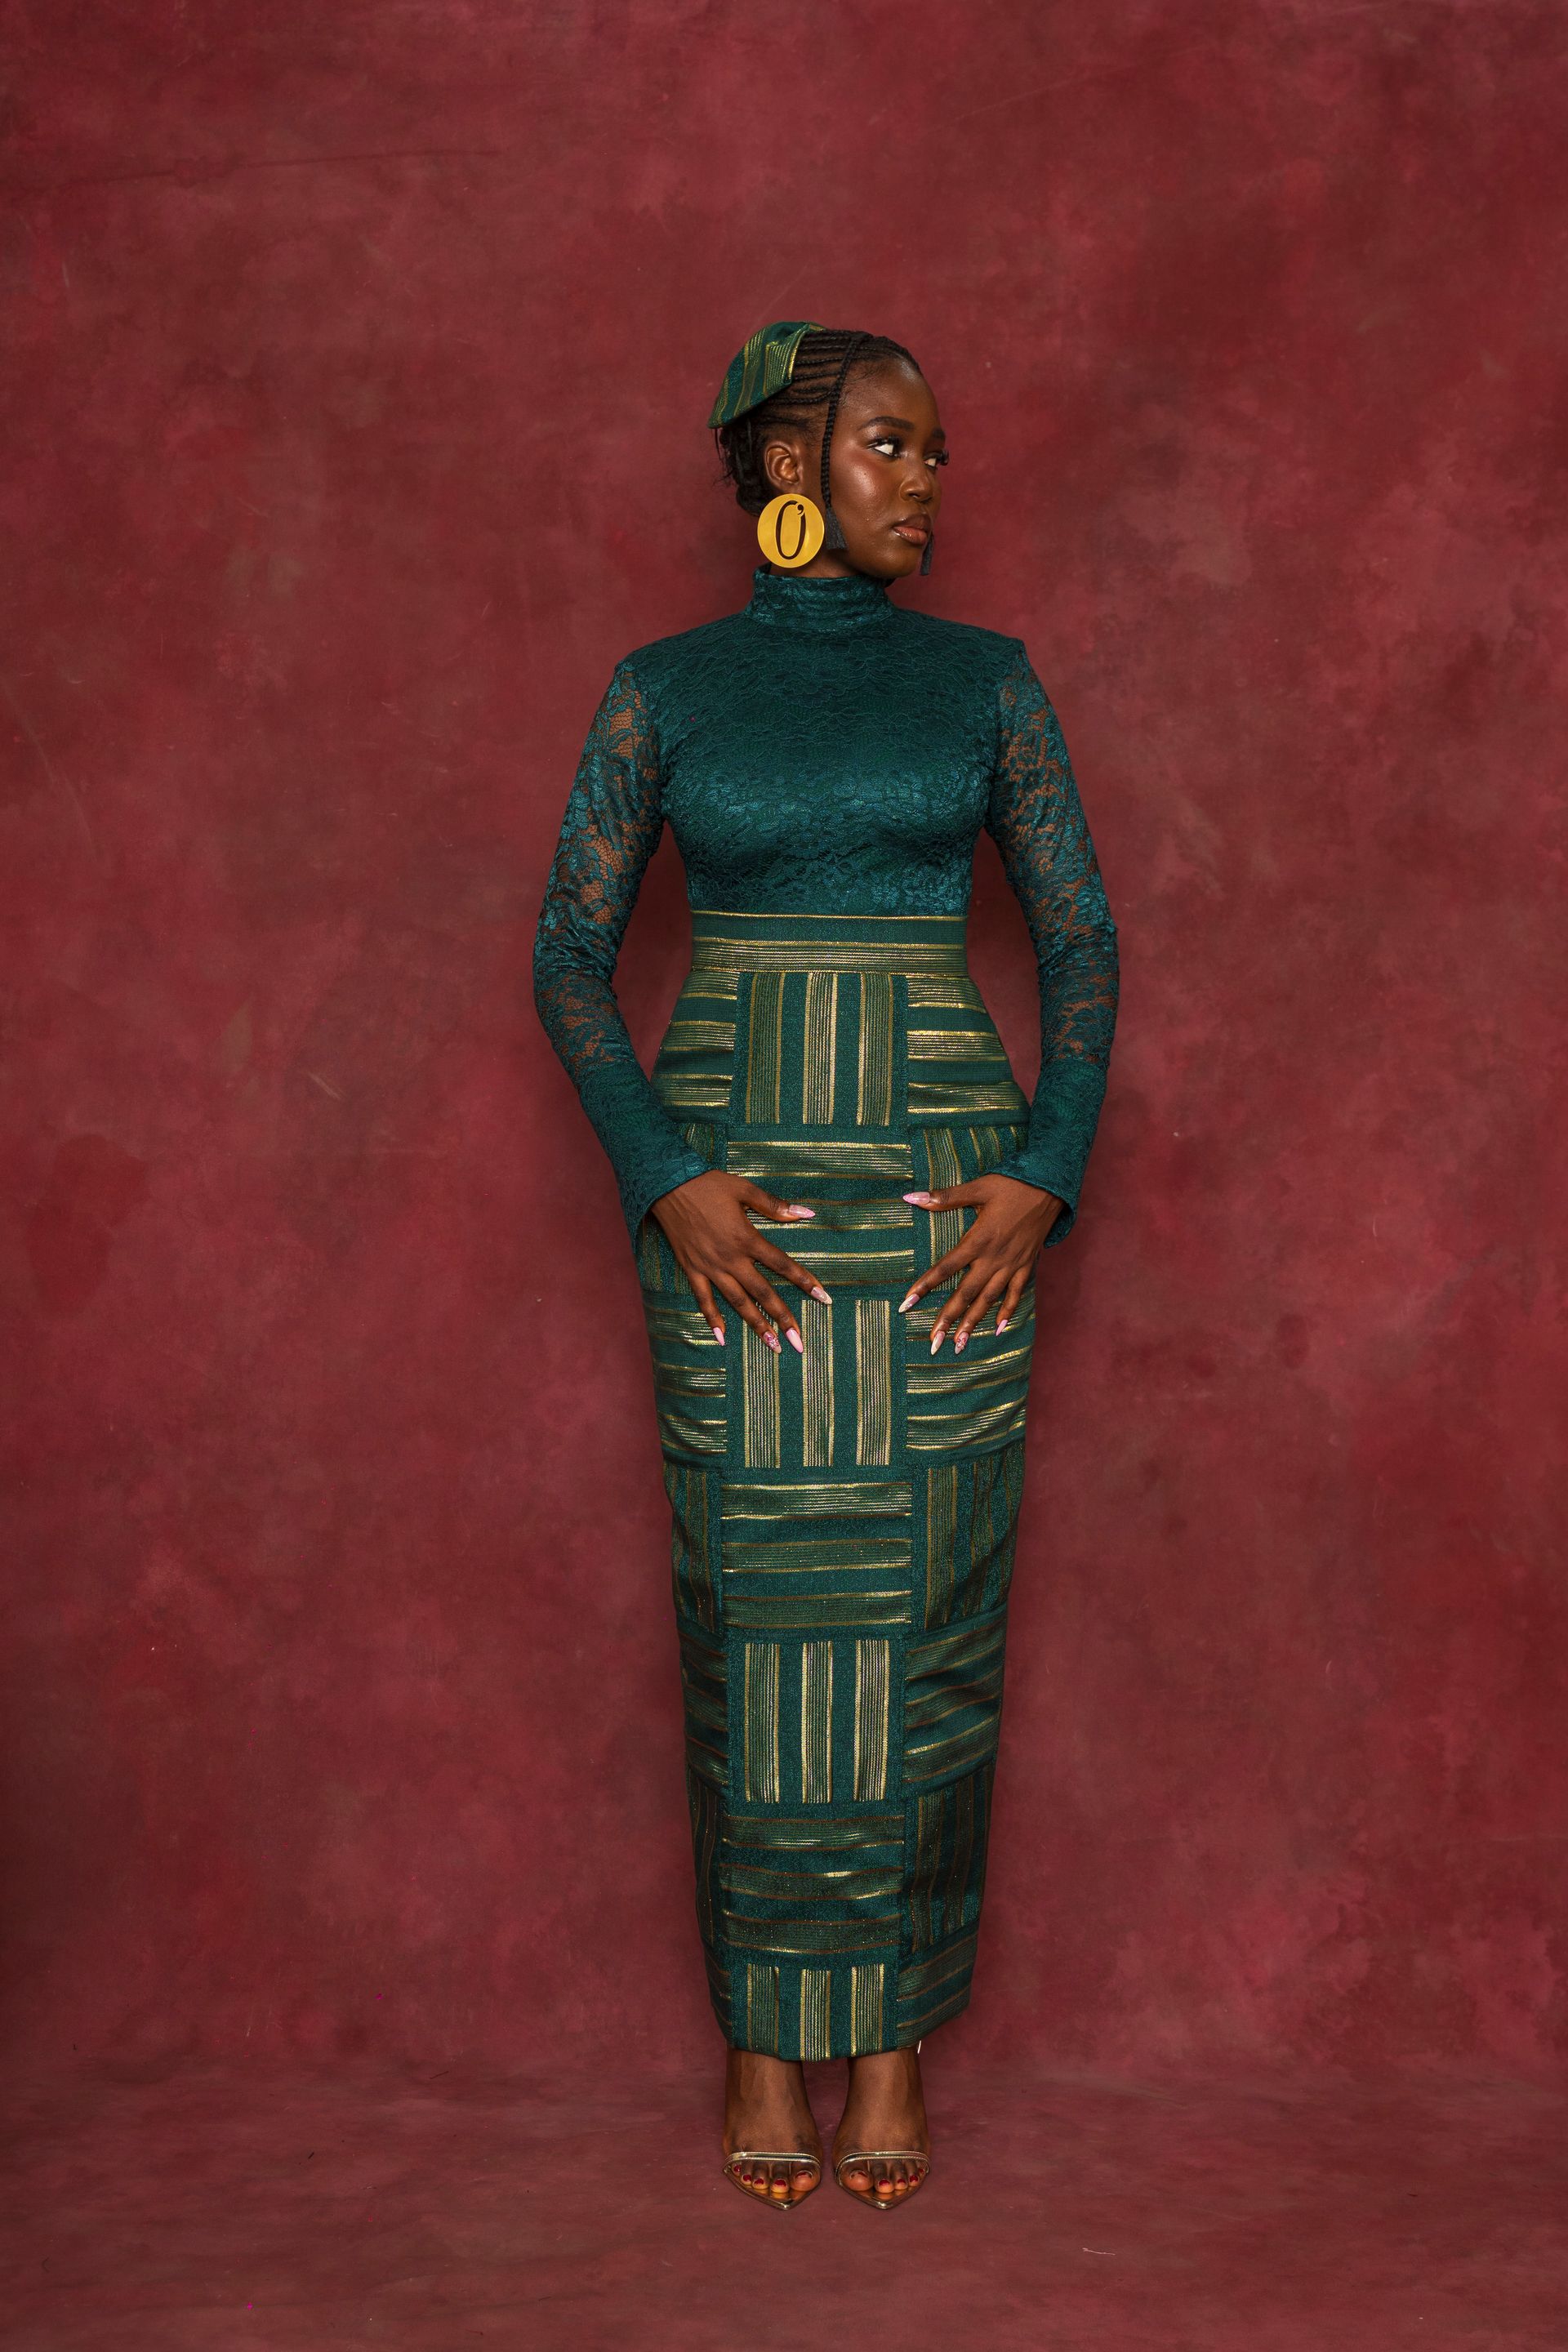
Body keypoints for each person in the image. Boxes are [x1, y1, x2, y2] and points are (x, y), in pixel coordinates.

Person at [532, 323, 1120, 2212]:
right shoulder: (666, 692)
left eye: (936, 451)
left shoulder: (985, 685)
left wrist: (1044, 1174)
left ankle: (888, 2048)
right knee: (757, 1613)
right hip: (741, 1209)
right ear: (790, 466)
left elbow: (1084, 945)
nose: (928, 478)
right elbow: (566, 957)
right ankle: (762, 2040)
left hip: (942, 1203)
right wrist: (662, 1181)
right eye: (892, 445)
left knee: (932, 1610)